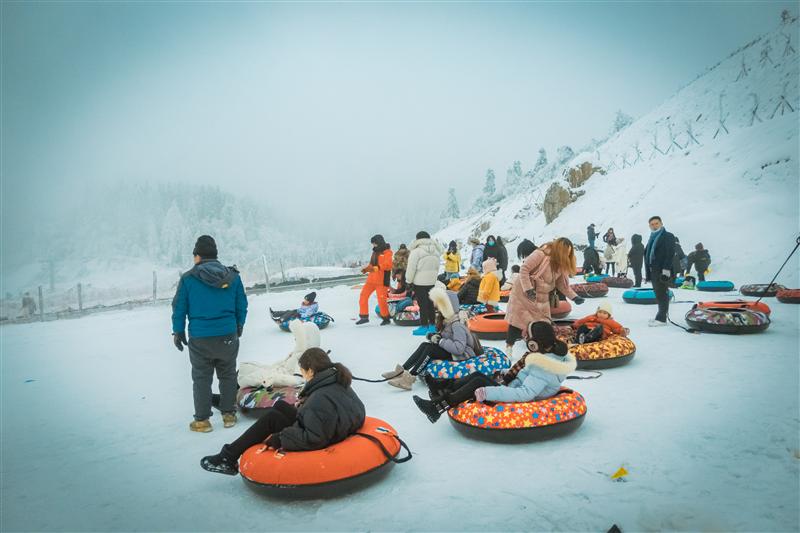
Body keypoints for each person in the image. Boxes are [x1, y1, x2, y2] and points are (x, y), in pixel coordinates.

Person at [200, 348, 365, 475]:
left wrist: (281, 438)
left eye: (303, 371)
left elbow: (314, 438)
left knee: (272, 418)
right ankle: (229, 454)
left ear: (311, 371)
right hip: (330, 425)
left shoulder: (319, 399)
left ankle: (227, 457)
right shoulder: (339, 382)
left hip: (325, 434)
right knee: (280, 406)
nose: (302, 375)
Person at [411, 321, 576, 423]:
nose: (526, 340)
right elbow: (523, 377)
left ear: (536, 343)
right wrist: (504, 374)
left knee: (478, 382)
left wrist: (489, 392)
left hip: (523, 399)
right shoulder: (542, 356)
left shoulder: (544, 366)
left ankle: (437, 408)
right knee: (478, 376)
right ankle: (442, 388)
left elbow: (525, 394)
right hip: (514, 387)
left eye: (529, 338)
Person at [172, 235, 248, 433]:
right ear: (215, 255)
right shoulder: (232, 277)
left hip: (200, 338)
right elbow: (242, 304)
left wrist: (178, 331)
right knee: (228, 375)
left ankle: (202, 421)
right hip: (228, 335)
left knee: (201, 378)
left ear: (197, 256)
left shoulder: (188, 278)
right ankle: (229, 415)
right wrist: (239, 325)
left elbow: (179, 307)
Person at [382, 286, 479, 390]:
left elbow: (459, 348)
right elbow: (448, 337)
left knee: (430, 349)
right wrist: (435, 337)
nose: (438, 309)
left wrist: (440, 341)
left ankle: (409, 378)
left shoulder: (457, 324)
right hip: (452, 351)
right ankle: (401, 371)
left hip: (462, 355)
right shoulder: (448, 320)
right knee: (425, 345)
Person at [505, 238, 585, 358]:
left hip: (541, 297)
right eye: (565, 252)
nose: (566, 255)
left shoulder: (560, 264)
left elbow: (561, 284)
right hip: (523, 293)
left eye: (568, 253)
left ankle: (542, 350)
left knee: (544, 325)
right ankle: (509, 348)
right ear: (559, 249)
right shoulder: (541, 254)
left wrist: (574, 297)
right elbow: (524, 269)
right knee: (518, 321)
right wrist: (528, 289)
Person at [406, 231, 444, 336]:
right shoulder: (436, 251)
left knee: (422, 304)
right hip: (431, 281)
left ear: (418, 239)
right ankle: (432, 326)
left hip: (419, 282)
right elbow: (437, 267)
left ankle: (424, 326)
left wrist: (408, 281)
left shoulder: (416, 251)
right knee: (430, 303)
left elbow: (411, 268)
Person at [644, 216, 676, 326]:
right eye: (652, 224)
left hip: (662, 270)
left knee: (662, 293)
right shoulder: (652, 238)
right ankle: (660, 315)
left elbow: (670, 253)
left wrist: (666, 269)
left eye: (656, 223)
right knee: (658, 293)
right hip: (654, 270)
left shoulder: (668, 236)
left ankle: (662, 319)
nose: (654, 226)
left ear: (661, 223)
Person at [356, 235, 393, 326]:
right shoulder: (374, 252)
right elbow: (372, 265)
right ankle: (364, 317)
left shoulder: (387, 252)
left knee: (381, 300)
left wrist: (378, 268)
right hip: (371, 280)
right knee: (363, 296)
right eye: (373, 244)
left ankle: (386, 318)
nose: (373, 245)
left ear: (379, 242)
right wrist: (366, 269)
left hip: (381, 281)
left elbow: (388, 265)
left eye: (374, 243)